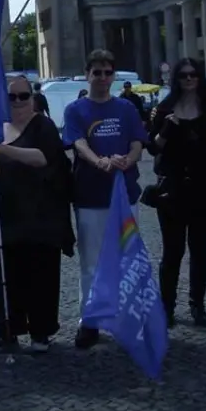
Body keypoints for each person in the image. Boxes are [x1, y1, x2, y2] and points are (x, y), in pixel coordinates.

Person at [0, 75, 74, 356]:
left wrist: (4, 150)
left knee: (42, 272)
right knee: (9, 274)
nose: (19, 101)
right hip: (7, 210)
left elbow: (43, 158)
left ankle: (41, 331)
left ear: (32, 97)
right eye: (12, 97)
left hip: (41, 212)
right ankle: (6, 331)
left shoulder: (43, 125)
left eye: (24, 95)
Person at [63, 49, 147, 348]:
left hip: (125, 193)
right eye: (96, 72)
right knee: (92, 261)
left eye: (107, 72)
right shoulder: (75, 109)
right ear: (87, 75)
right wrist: (97, 160)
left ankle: (126, 316)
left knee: (126, 257)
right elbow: (77, 142)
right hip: (90, 194)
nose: (102, 77)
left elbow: (138, 143)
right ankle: (91, 319)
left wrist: (128, 158)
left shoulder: (126, 108)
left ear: (114, 76)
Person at [148, 58, 206, 328]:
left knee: (201, 251)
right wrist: (167, 130)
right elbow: (153, 148)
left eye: (193, 75)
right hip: (173, 189)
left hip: (203, 187)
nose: (189, 80)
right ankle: (166, 307)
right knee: (172, 251)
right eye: (183, 76)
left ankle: (197, 305)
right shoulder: (164, 108)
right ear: (176, 79)